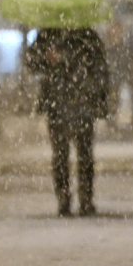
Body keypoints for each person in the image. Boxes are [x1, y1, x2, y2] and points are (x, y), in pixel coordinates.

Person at [27, 28, 109, 216]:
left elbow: (100, 69)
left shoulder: (87, 37)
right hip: (60, 104)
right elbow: (31, 63)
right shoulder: (48, 35)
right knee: (61, 154)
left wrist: (99, 99)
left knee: (84, 154)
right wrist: (46, 59)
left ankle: (85, 199)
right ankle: (65, 199)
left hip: (81, 103)